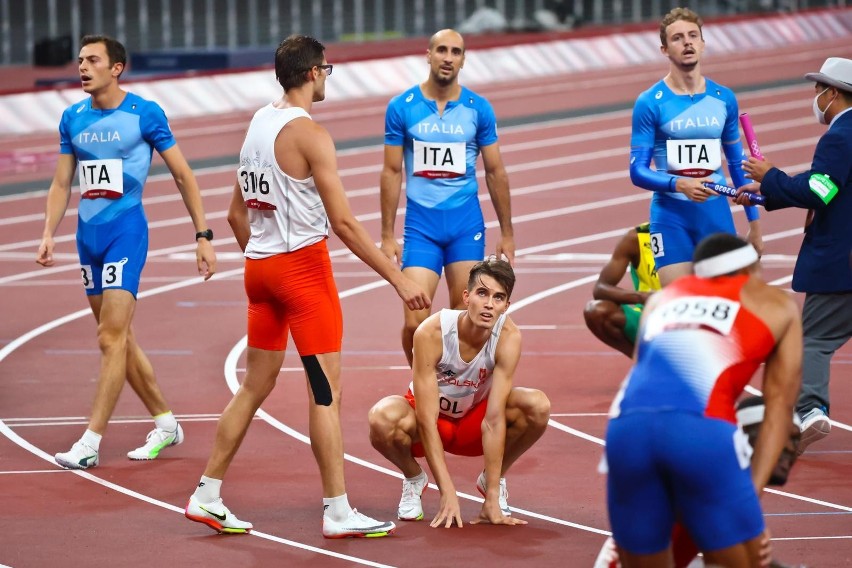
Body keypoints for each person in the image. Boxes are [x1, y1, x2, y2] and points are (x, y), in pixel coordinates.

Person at [183, 35, 430, 539]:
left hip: (260, 272)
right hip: (303, 272)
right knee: (326, 394)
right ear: (315, 72)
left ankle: (206, 494)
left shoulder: (256, 123)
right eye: (327, 71)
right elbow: (343, 222)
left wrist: (266, 254)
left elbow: (235, 214)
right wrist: (398, 278)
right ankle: (337, 510)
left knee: (254, 386)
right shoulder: (311, 135)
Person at [36, 35, 217, 470]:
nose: (82, 67)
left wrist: (202, 234)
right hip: (87, 238)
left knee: (109, 338)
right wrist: (48, 233)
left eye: (93, 60)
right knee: (119, 339)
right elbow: (63, 183)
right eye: (80, 60)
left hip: (126, 233)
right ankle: (166, 423)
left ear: (117, 67)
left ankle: (91, 440)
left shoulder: (144, 114)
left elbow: (183, 175)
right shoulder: (72, 117)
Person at [604, 233, 802, 567]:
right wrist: (750, 497)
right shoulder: (775, 302)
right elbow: (779, 407)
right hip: (700, 429)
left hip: (626, 430)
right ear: (752, 269)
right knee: (747, 560)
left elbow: (642, 371)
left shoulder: (662, 299)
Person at [368, 258, 550, 528]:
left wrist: (490, 498)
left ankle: (493, 480)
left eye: (498, 298)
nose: (489, 304)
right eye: (482, 293)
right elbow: (426, 420)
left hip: (472, 425)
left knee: (537, 405)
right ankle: (414, 477)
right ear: (466, 297)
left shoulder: (509, 337)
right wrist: (448, 492)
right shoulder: (432, 332)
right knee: (381, 417)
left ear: (506, 306)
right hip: (428, 424)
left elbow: (494, 419)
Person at [735, 56, 852, 455]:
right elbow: (822, 185)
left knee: (815, 340)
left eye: (818, 90)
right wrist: (766, 193)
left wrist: (769, 176)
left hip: (841, 262)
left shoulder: (840, 137)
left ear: (832, 93)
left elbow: (821, 190)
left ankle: (811, 410)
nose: (815, 98)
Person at [380, 28, 515, 366]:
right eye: (442, 50)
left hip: (464, 223)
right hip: (421, 226)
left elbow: (496, 171)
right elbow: (392, 172)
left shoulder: (478, 109)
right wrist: (386, 234)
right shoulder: (402, 107)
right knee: (414, 320)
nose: (448, 57)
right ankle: (420, 382)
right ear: (428, 54)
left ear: (463, 59)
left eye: (456, 52)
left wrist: (508, 233)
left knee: (463, 318)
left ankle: (454, 388)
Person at [629, 8, 763, 287]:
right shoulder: (650, 102)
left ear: (703, 43)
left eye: (693, 36)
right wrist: (680, 184)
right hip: (670, 216)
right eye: (677, 38)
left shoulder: (723, 98)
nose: (687, 42)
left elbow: (736, 165)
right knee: (679, 305)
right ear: (664, 49)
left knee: (727, 302)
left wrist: (755, 226)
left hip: (715, 215)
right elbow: (637, 171)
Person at [594, 394, 803, 568]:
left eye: (796, 439)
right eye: (784, 436)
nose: (792, 448)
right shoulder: (712, 483)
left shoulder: (724, 482)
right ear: (746, 437)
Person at [584, 222, 661, 357]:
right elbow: (600, 288)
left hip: (695, 314)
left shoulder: (706, 234)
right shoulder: (638, 237)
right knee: (597, 310)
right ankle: (641, 362)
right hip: (650, 315)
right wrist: (644, 297)